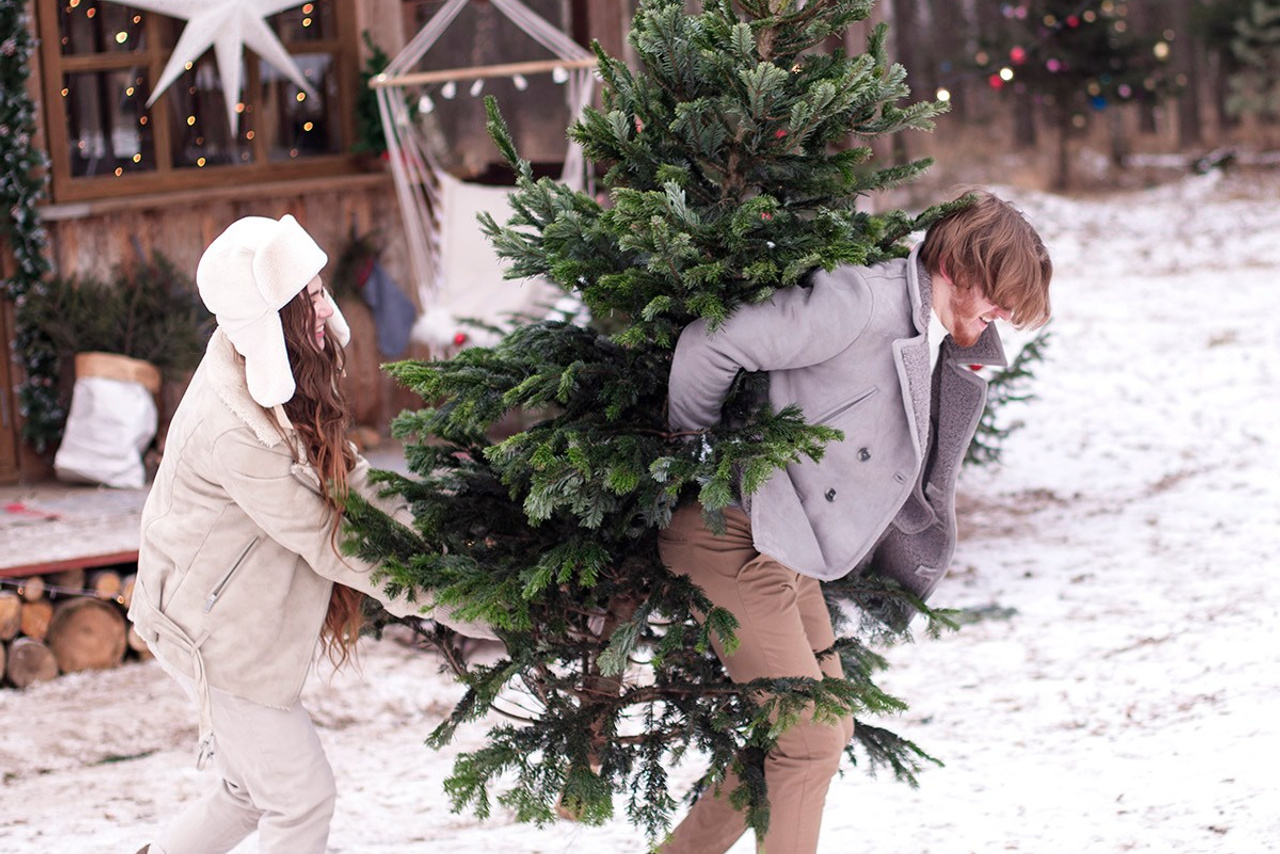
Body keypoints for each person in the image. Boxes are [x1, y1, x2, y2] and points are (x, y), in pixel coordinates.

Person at [656, 191, 1052, 854]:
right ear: (955, 265)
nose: (1004, 316)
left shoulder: (933, 332)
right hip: (730, 532)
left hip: (786, 546)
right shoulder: (862, 303)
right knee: (808, 738)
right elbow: (710, 343)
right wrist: (692, 457)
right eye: (1000, 294)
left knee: (825, 728)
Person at [127, 214, 488, 854]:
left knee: (246, 793)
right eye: (310, 298)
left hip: (230, 615)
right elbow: (333, 539)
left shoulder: (276, 377)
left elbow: (351, 484)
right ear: (272, 317)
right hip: (214, 634)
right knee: (299, 800)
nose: (325, 308)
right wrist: (465, 602)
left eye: (322, 291)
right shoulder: (236, 430)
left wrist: (440, 531)